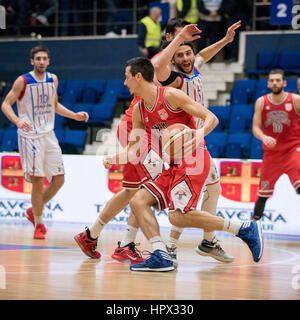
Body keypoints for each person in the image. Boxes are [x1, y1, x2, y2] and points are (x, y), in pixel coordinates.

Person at [104, 57, 263, 272]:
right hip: (171, 165)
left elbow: (211, 118)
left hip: (193, 158)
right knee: (138, 201)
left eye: (127, 77)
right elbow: (133, 148)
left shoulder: (171, 95)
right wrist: (115, 158)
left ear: (138, 77)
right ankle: (162, 255)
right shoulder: (140, 110)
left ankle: (244, 229)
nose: (124, 83)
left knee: (177, 215)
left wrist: (198, 134)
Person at [74, 19, 189, 264]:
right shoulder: (157, 63)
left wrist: (223, 42)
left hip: (142, 128)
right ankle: (127, 244)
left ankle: (92, 235)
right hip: (138, 128)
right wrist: (179, 38)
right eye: (180, 35)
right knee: (145, 190)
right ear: (169, 38)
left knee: (131, 190)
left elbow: (199, 60)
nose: (186, 39)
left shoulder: (179, 65)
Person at [153, 21, 241, 264]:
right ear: (174, 59)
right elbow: (159, 66)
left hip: (197, 140)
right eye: (179, 55)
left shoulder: (195, 67)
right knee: (188, 200)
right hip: (184, 143)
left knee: (212, 189)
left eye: (187, 52)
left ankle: (207, 241)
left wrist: (225, 41)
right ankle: (176, 245)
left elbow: (203, 55)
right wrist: (177, 40)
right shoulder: (174, 79)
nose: (186, 57)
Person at [1, 45, 89, 239]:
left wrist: (74, 115)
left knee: (59, 179)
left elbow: (55, 105)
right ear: (32, 61)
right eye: (37, 59)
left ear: (48, 61)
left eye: (44, 58)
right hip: (30, 135)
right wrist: (17, 121)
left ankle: (34, 211)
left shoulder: (53, 79)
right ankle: (39, 224)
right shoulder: (22, 81)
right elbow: (6, 104)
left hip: (49, 134)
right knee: (38, 179)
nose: (41, 61)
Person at [252, 69, 300, 221]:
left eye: (278, 80)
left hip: (293, 149)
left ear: (284, 83)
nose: (274, 83)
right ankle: (254, 227)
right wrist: (264, 137)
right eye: (272, 80)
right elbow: (255, 127)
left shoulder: (295, 100)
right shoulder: (261, 102)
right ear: (268, 83)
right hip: (272, 154)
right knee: (262, 194)